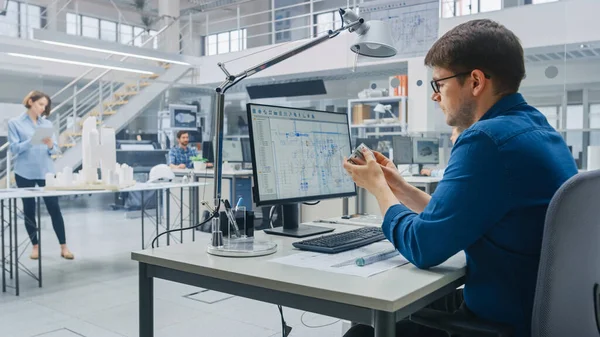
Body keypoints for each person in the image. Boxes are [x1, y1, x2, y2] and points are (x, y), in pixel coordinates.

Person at [343, 19, 577, 337]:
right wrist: (398, 185)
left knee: (363, 332)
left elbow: (422, 247)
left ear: (476, 81)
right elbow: (451, 216)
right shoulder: (536, 129)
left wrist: (379, 188)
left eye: (439, 84)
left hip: (500, 324)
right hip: (532, 311)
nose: (435, 97)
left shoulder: (485, 140)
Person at [8, 91, 74, 260]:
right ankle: (35, 247)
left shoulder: (46, 124)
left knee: (54, 209)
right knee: (29, 210)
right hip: (25, 172)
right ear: (30, 101)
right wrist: (30, 141)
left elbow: (56, 150)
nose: (43, 108)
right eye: (40, 104)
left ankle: (64, 247)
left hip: (46, 171)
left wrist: (51, 144)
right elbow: (14, 149)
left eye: (45, 106)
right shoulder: (15, 123)